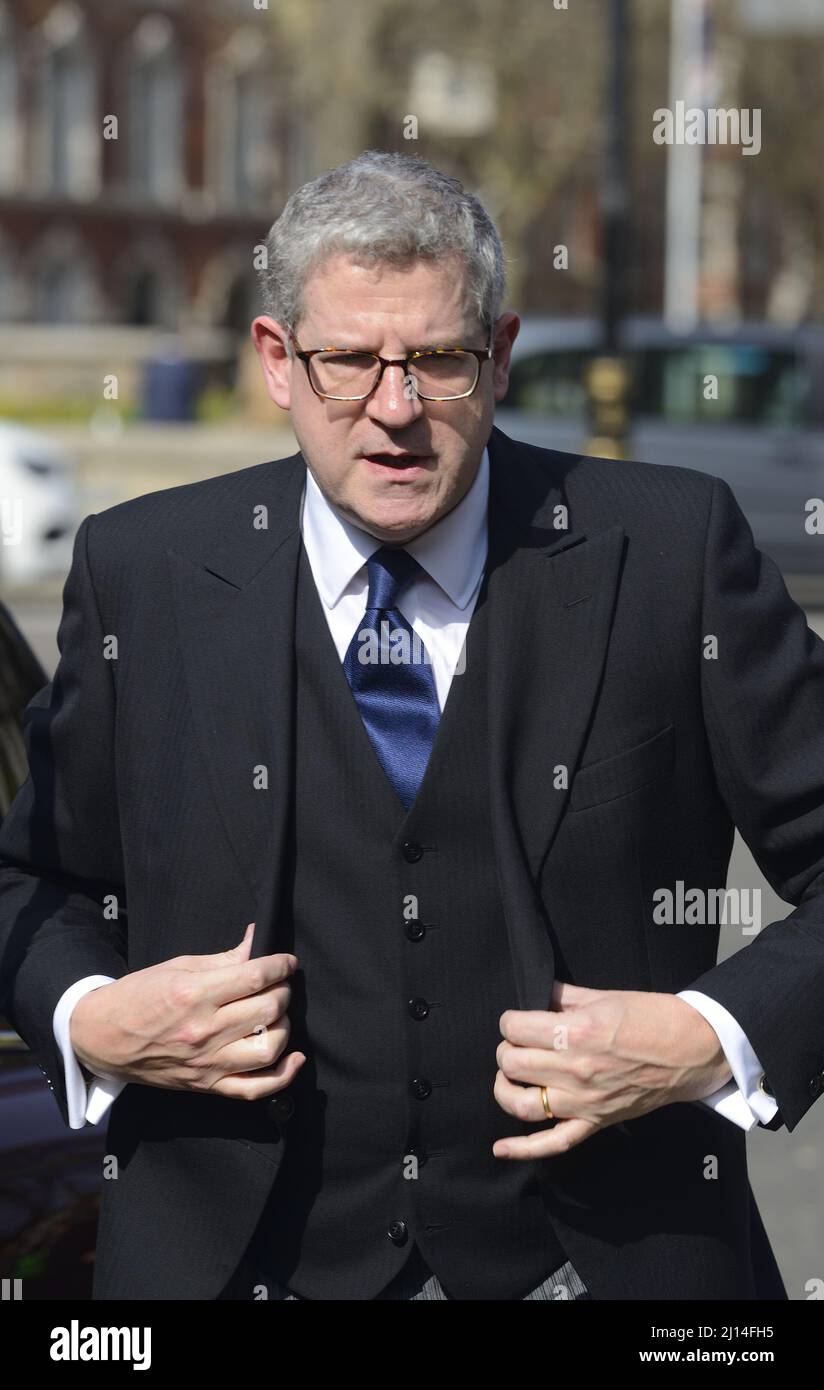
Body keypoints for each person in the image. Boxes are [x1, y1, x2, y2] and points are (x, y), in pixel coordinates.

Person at [1, 150, 821, 1302]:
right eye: (349, 361)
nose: (395, 411)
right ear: (279, 362)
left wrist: (713, 1035)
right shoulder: (144, 572)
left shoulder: (668, 552)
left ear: (498, 354)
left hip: (608, 1266)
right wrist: (93, 1018)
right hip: (226, 1266)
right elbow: (28, 880)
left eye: (436, 360)